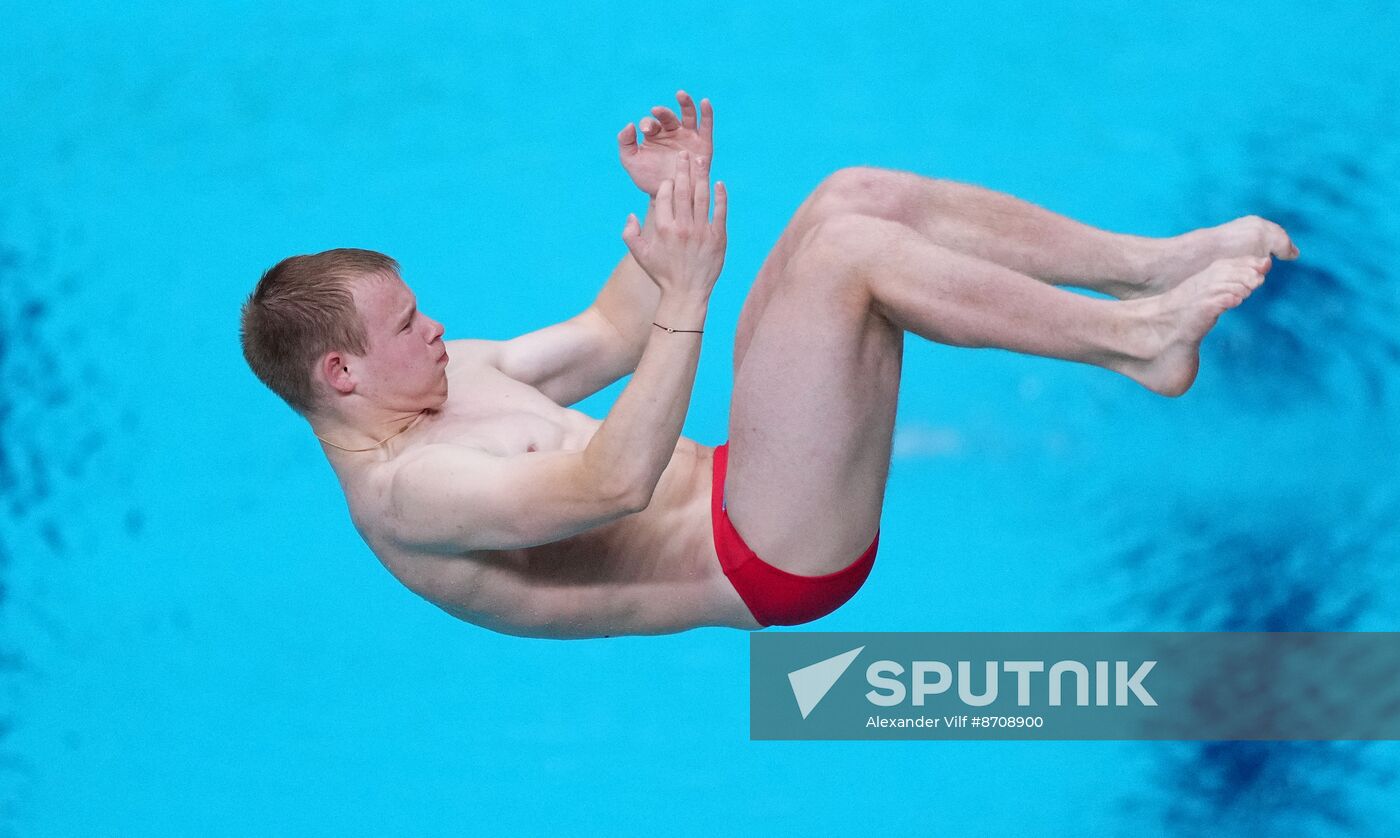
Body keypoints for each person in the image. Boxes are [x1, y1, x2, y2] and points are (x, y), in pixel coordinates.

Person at [239, 91, 1298, 639]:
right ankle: (1136, 342)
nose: (435, 328)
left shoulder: (446, 377)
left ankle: (1147, 268)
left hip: (744, 480)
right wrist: (688, 294)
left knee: (853, 196)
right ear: (340, 374)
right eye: (406, 324)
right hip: (765, 555)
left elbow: (609, 334)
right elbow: (612, 483)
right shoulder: (412, 493)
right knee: (846, 257)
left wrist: (673, 197)